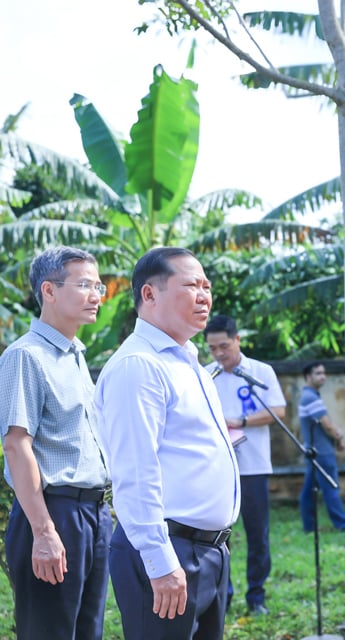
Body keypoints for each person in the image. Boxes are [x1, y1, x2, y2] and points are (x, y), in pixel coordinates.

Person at [95, 247, 240, 639]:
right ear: (149, 294)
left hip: (207, 552)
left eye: (207, 285)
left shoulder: (187, 360)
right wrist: (160, 561)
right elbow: (135, 472)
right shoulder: (139, 366)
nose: (204, 295)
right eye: (191, 285)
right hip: (167, 550)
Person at [0, 247, 111, 639]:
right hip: (54, 513)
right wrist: (44, 532)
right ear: (49, 290)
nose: (97, 294)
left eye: (97, 285)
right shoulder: (26, 356)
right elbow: (16, 446)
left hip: (93, 516)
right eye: (84, 284)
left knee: (87, 631)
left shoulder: (75, 355)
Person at [203, 314, 286, 617]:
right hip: (217, 470)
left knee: (257, 533)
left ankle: (256, 595)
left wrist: (240, 422)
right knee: (217, 535)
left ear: (237, 340)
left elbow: (278, 411)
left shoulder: (260, 372)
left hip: (252, 466)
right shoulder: (204, 374)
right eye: (212, 349)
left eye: (224, 346)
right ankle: (221, 595)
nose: (219, 354)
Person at [297, 361, 345, 533]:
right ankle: (343, 524)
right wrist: (339, 437)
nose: (323, 376)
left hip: (315, 451)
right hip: (322, 452)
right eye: (318, 373)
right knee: (331, 488)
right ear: (308, 377)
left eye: (324, 373)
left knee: (308, 492)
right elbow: (327, 425)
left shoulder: (310, 396)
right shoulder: (310, 397)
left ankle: (309, 527)